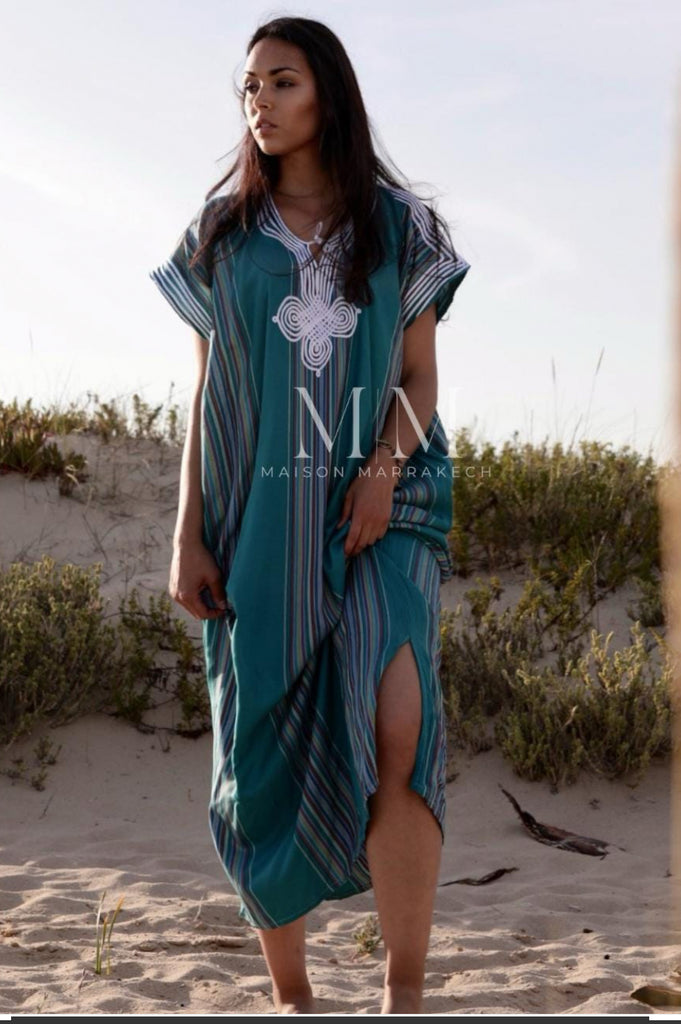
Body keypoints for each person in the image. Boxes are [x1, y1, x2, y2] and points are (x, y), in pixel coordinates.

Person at [149, 15, 471, 1015]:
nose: (261, 102)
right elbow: (209, 393)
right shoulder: (221, 237)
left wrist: (380, 466)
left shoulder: (400, 226)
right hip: (258, 515)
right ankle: (293, 996)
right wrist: (185, 530)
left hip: (389, 506)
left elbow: (418, 373)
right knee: (260, 748)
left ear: (328, 91)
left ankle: (404, 991)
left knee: (400, 720)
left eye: (281, 82)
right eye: (249, 87)